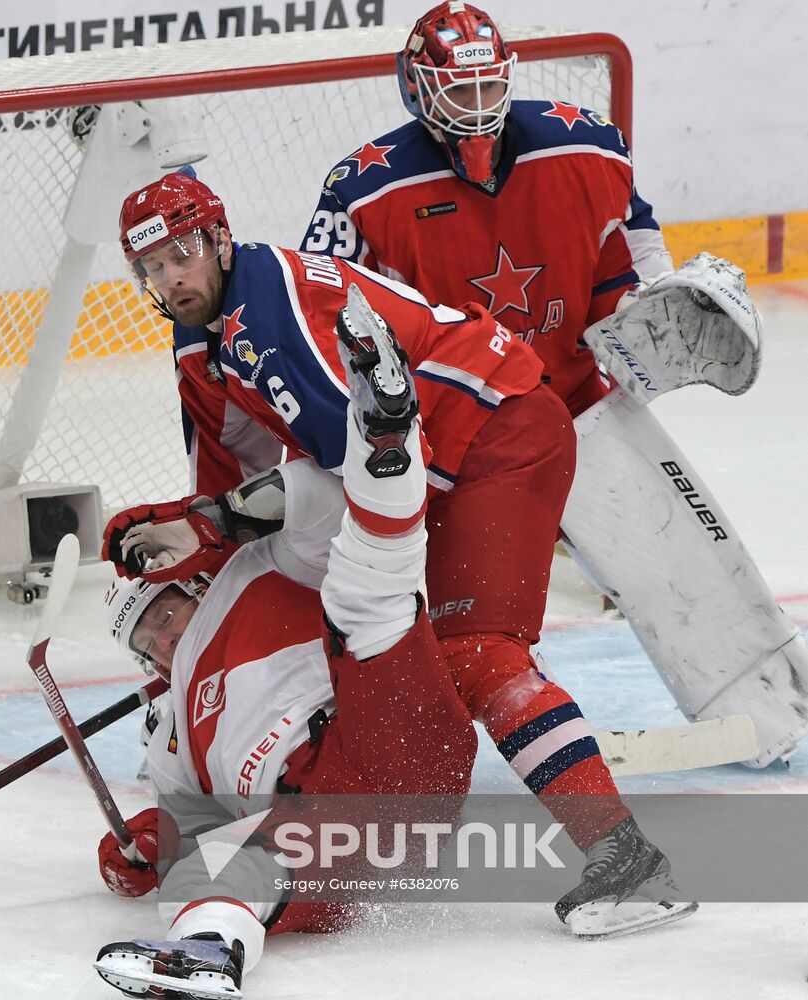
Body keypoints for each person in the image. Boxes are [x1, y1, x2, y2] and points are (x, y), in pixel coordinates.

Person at [106, 170, 695, 939]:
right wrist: (204, 534)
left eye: (182, 253)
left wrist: (214, 520)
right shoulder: (211, 331)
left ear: (218, 239)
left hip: (493, 432)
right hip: (450, 451)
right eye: (151, 267)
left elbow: (368, 462)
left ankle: (625, 859)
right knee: (432, 647)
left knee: (478, 652)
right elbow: (260, 481)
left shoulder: (270, 320)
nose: (170, 277)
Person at [303, 0, 805, 766]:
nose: (475, 109)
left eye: (485, 87)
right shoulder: (361, 188)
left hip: (580, 405)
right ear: (416, 88)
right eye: (456, 91)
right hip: (461, 443)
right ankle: (348, 745)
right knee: (422, 611)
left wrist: (654, 311)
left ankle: (772, 715)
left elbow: (634, 263)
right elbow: (325, 315)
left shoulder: (587, 146)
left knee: (687, 571)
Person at [93, 308, 479, 998]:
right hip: (335, 839)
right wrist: (148, 842)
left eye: (163, 615)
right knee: (209, 868)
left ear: (193, 584)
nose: (160, 643)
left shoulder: (259, 569)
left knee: (369, 596)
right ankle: (206, 954)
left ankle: (384, 432)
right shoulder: (171, 728)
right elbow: (191, 824)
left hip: (382, 742)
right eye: (143, 643)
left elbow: (322, 497)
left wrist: (211, 520)